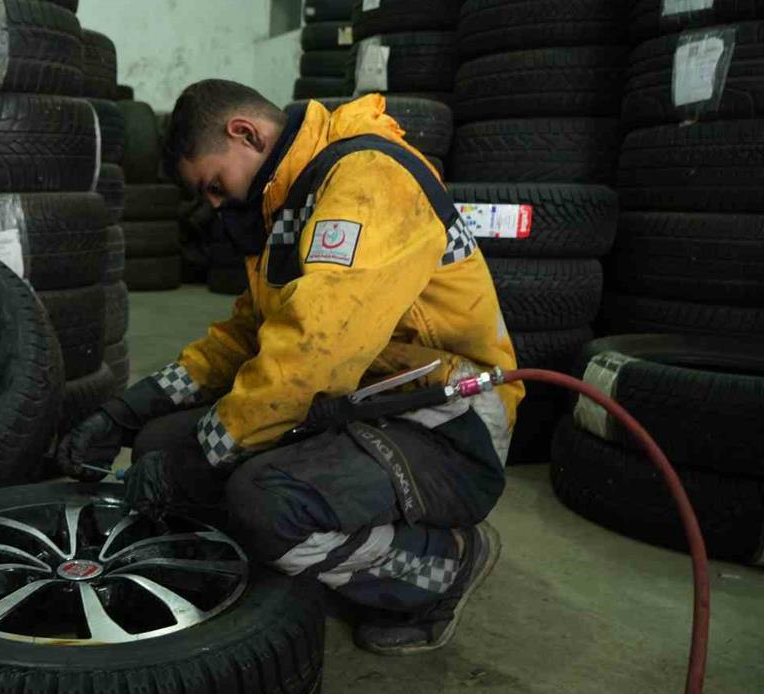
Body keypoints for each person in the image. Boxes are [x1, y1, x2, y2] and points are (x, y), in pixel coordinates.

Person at [56, 80, 524, 655]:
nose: (215, 206)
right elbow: (246, 337)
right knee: (159, 443)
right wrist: (129, 409)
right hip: (358, 398)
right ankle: (319, 536)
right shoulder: (287, 204)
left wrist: (205, 452)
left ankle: (444, 569)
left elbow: (311, 353)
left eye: (214, 186)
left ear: (245, 134)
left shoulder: (366, 180)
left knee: (268, 503)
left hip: (447, 413)